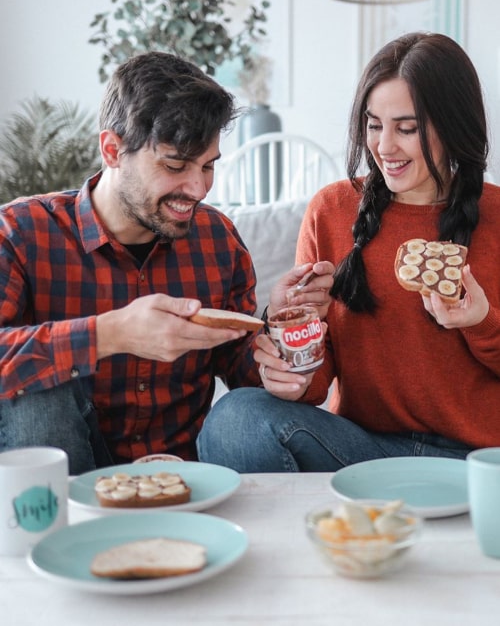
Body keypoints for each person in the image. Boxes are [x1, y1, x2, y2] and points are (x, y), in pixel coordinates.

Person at [0, 51, 333, 474]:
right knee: (37, 390)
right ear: (112, 150)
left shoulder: (218, 239)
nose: (197, 188)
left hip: (187, 476)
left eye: (208, 166)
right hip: (73, 481)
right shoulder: (21, 232)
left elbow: (240, 369)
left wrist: (276, 328)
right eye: (175, 165)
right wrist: (109, 334)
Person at [197, 32, 500, 472]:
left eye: (407, 128)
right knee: (235, 418)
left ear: (453, 125)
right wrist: (291, 366)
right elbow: (318, 383)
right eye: (374, 125)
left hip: (478, 461)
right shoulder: (332, 210)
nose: (384, 146)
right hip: (362, 452)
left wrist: (481, 323)